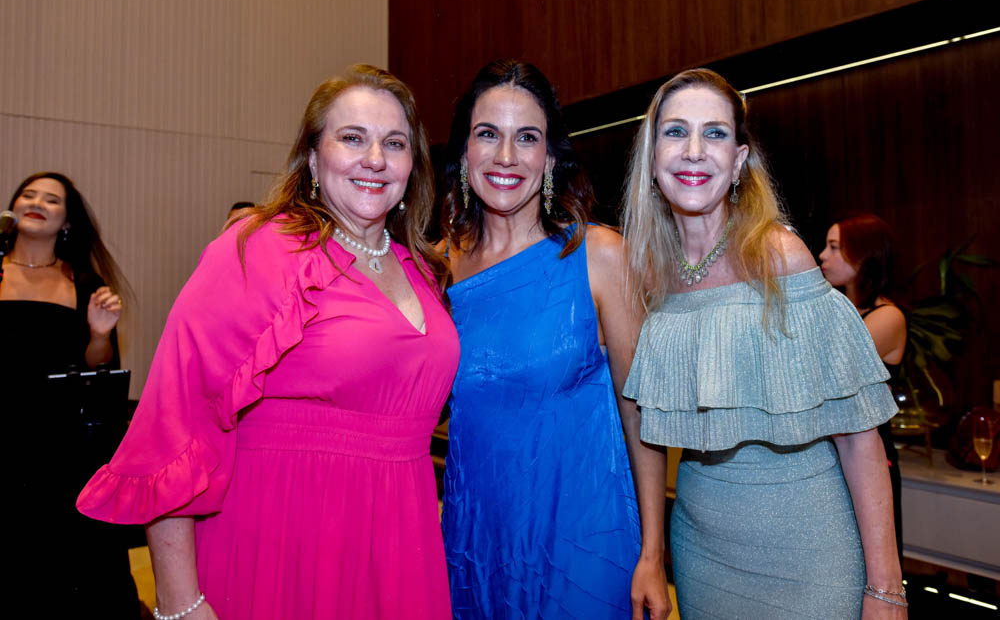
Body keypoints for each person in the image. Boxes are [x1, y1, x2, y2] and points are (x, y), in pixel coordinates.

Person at [78, 64, 460, 620]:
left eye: (394, 143)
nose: (375, 158)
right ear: (312, 157)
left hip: (401, 543)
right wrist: (180, 601)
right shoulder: (258, 249)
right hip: (280, 543)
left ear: (412, 165)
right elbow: (174, 422)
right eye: (352, 138)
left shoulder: (425, 271)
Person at [621, 69, 906, 618]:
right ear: (653, 157)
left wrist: (886, 589)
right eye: (675, 132)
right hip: (702, 552)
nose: (695, 151)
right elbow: (648, 431)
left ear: (740, 161)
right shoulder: (652, 272)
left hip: (808, 550)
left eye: (716, 134)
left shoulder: (779, 257)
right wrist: (652, 556)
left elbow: (858, 435)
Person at [439, 60, 670, 620]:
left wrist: (653, 555)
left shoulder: (597, 255)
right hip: (475, 538)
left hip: (583, 536)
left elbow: (641, 413)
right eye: (488, 134)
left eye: (528, 139)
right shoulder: (438, 269)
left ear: (550, 157)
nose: (506, 157)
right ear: (464, 150)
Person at [1, 172, 137, 614]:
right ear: (13, 209)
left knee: (71, 564)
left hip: (61, 446)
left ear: (66, 222)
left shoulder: (83, 281)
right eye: (28, 194)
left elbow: (98, 367)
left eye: (51, 199)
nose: (37, 202)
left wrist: (99, 334)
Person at [821, 213, 906, 567]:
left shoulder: (888, 316)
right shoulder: (838, 311)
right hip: (832, 456)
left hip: (869, 458)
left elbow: (829, 368)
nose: (822, 255)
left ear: (865, 256)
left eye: (834, 247)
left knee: (871, 565)